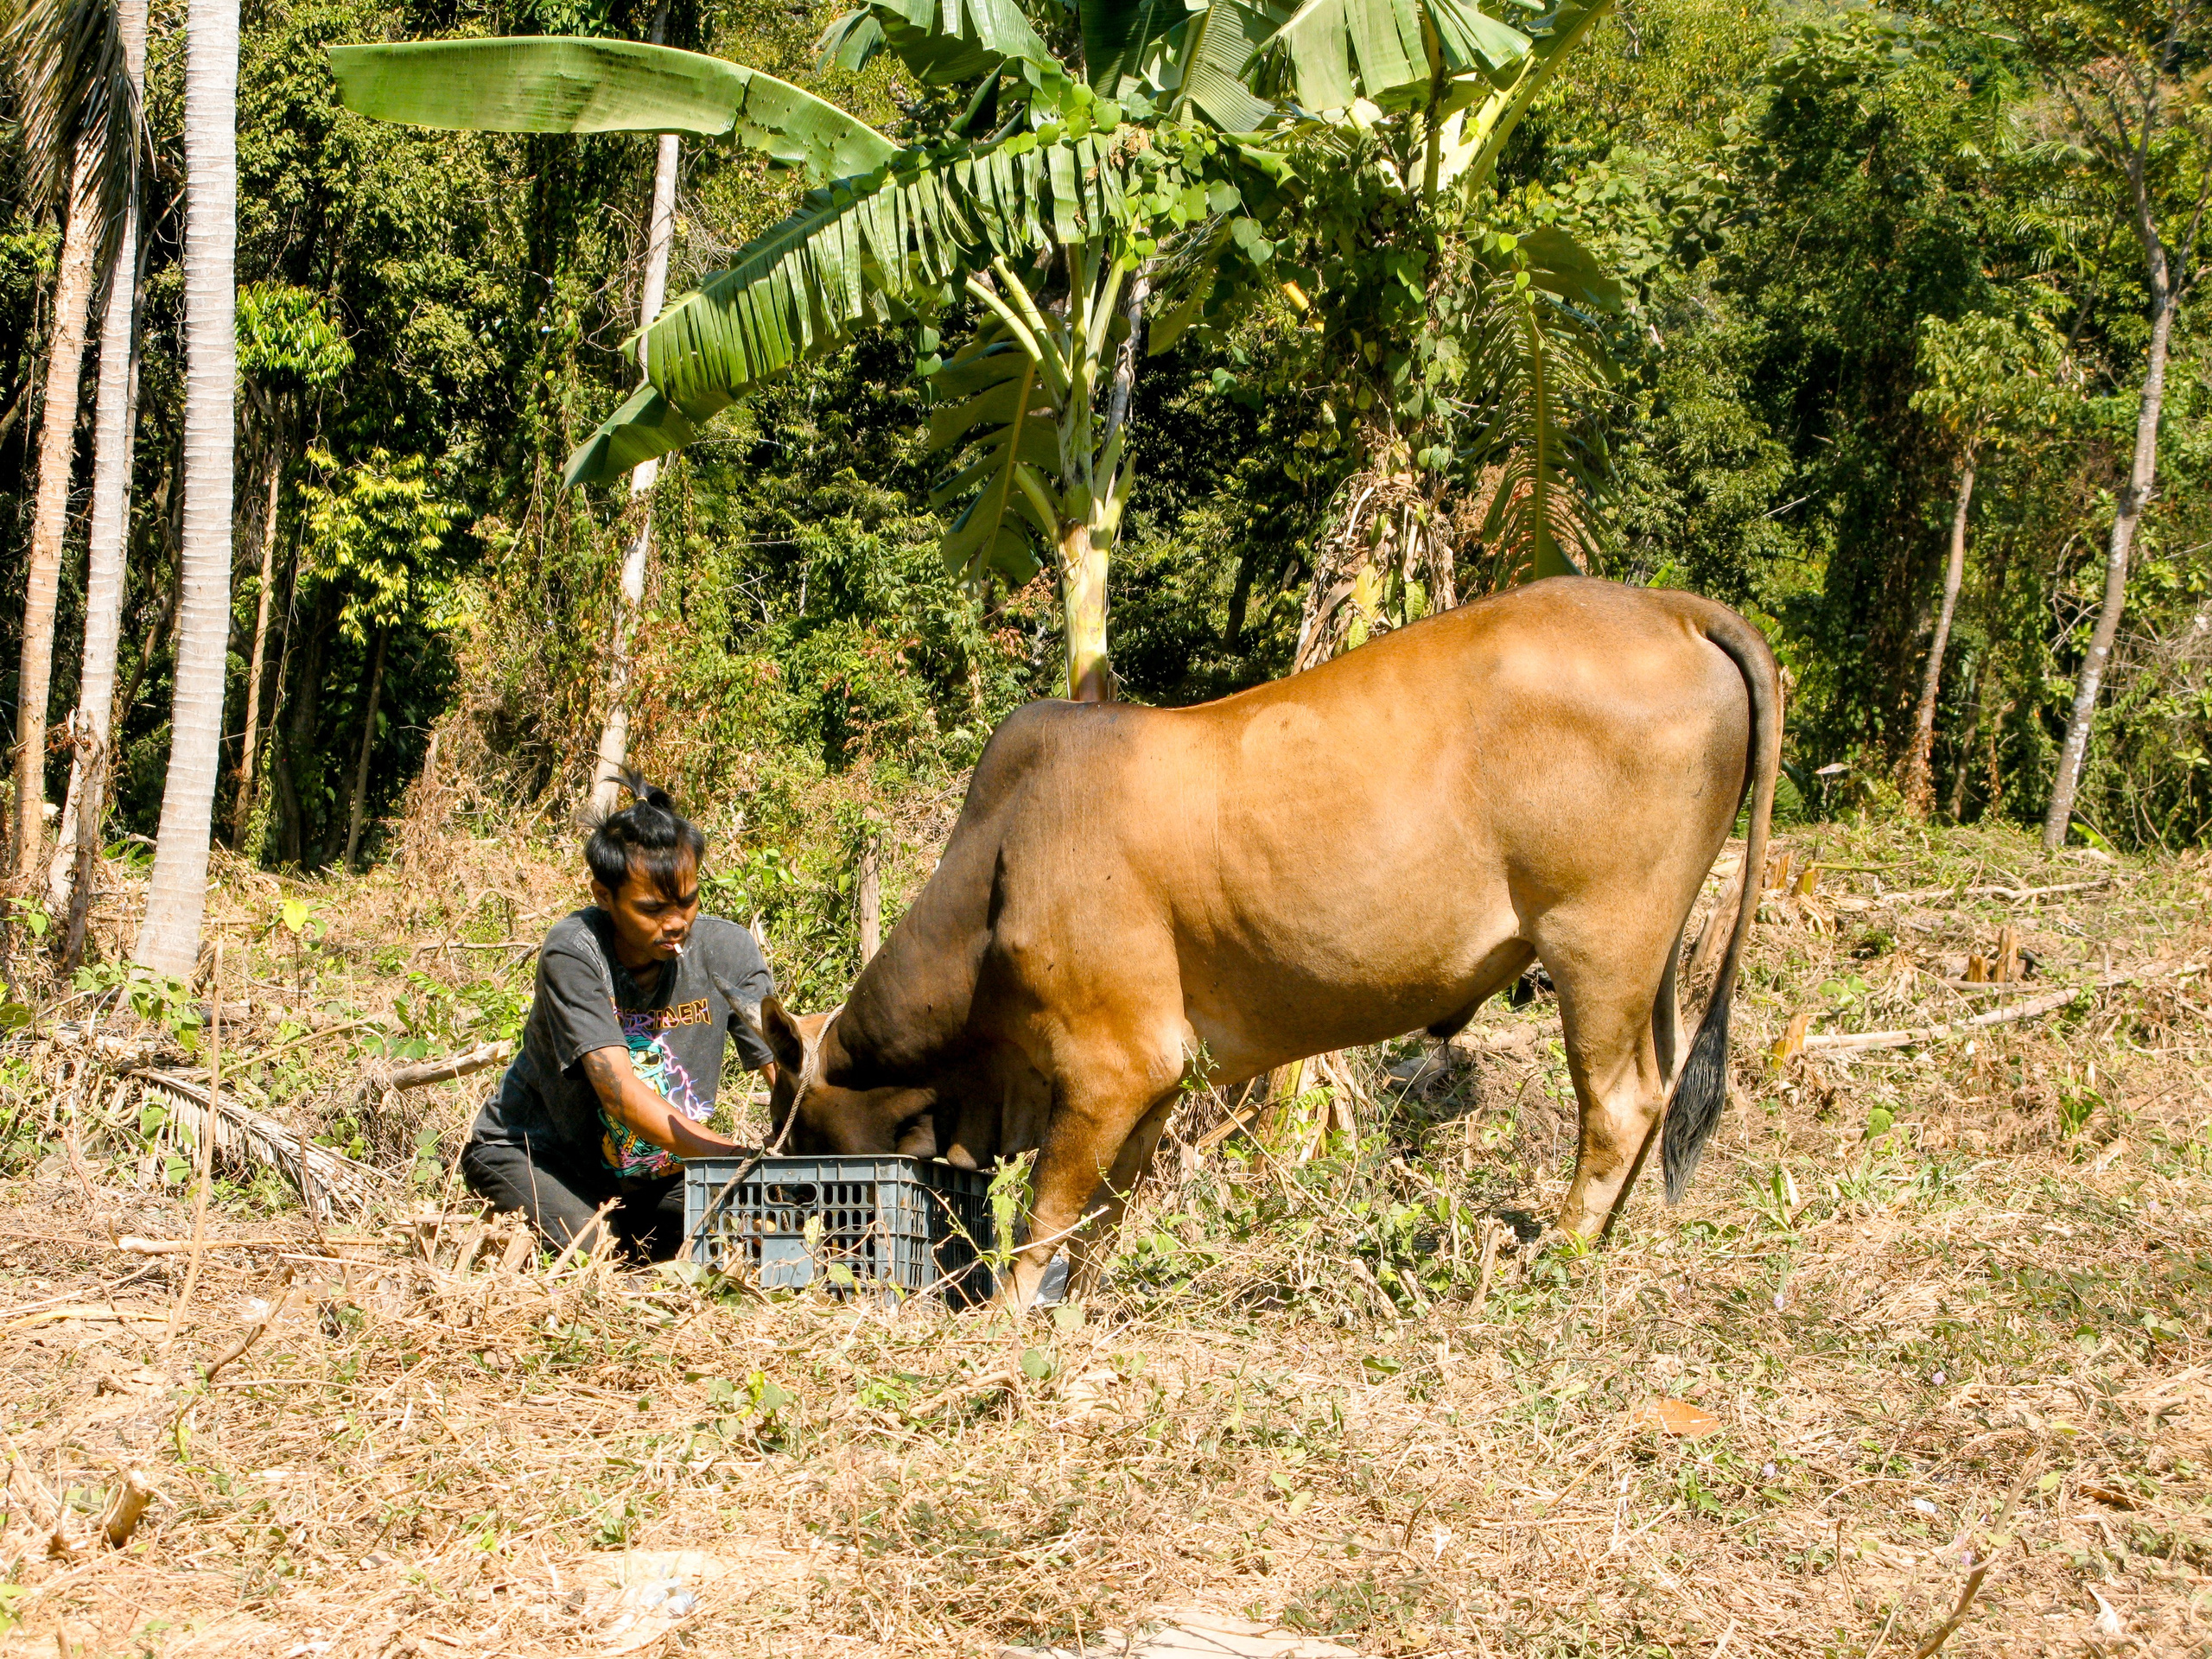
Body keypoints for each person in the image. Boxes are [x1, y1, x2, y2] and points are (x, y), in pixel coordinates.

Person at [461, 778, 777, 1260]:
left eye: (688, 901)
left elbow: (782, 1067)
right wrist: (735, 1161)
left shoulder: (726, 950)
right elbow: (619, 1093)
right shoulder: (575, 951)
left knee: (764, 1238)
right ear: (604, 896)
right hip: (539, 1156)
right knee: (598, 1257)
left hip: (660, 1175)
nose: (676, 922)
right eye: (653, 908)